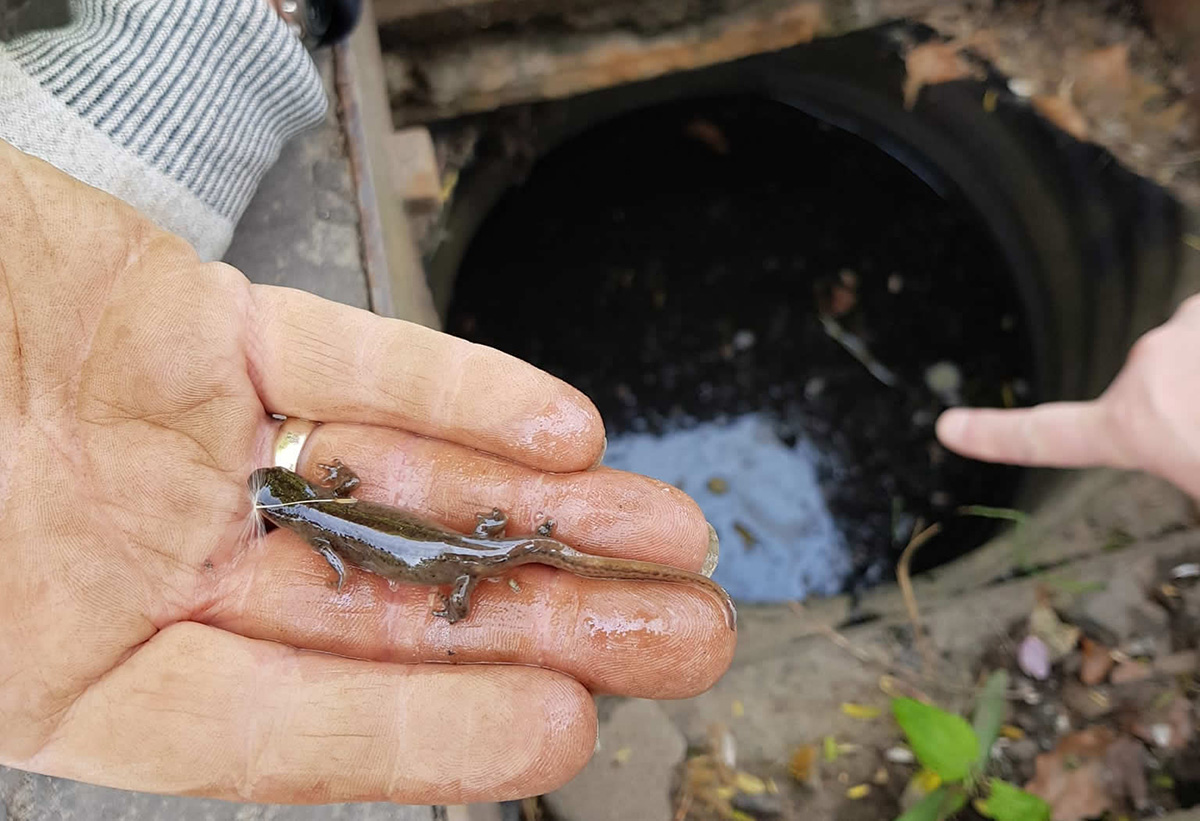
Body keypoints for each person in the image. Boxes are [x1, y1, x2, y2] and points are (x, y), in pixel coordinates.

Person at [0, 0, 1195, 810]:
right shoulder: (327, 503)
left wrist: (414, 564)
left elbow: (348, 543)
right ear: (291, 493)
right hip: (461, 551)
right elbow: (349, 513)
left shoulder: (318, 527)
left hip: (461, 558)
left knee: (514, 556)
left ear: (287, 502)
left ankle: (571, 571)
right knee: (506, 553)